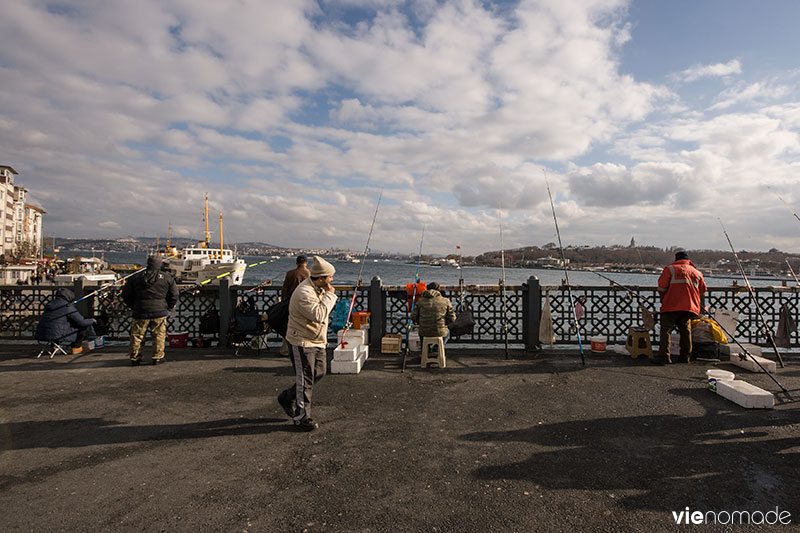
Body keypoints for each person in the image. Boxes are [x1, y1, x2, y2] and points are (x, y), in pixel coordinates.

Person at [277, 256, 337, 431]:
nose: (332, 280)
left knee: (319, 372)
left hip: (317, 340)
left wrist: (327, 294)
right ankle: (302, 417)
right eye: (330, 277)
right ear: (321, 278)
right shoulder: (304, 292)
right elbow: (318, 315)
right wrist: (330, 295)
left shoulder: (317, 288)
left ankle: (287, 397)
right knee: (305, 378)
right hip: (302, 341)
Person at [122, 255, 179, 366]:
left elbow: (126, 295)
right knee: (159, 335)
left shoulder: (135, 277)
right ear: (160, 264)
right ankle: (157, 357)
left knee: (137, 335)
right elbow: (174, 295)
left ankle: (135, 357)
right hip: (159, 311)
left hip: (140, 310)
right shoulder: (167, 278)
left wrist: (133, 306)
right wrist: (169, 306)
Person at [655, 250, 707, 364]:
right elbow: (702, 290)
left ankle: (664, 356)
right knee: (685, 331)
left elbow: (662, 287)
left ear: (676, 259)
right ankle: (685, 356)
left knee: (666, 331)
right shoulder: (697, 273)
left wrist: (664, 298)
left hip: (671, 305)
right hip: (689, 307)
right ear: (688, 260)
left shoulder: (670, 269)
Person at [279, 255, 310, 355]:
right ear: (306, 263)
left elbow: (284, 290)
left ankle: (285, 350)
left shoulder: (290, 273)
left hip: (291, 303)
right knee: (305, 326)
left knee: (289, 326)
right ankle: (304, 348)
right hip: (305, 304)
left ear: (296, 263)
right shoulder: (310, 274)